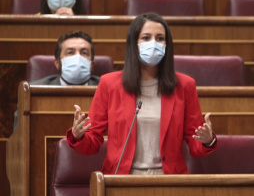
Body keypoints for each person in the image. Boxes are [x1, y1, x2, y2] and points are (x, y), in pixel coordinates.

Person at [67, 13, 217, 175]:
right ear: (134, 43)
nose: (153, 43)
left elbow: (195, 146)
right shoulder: (109, 84)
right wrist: (78, 136)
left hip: (170, 181)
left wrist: (208, 141)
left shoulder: (185, 85)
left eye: (160, 38)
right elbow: (93, 143)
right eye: (146, 38)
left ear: (167, 45)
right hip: (122, 179)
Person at [31, 30, 100, 85]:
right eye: (70, 53)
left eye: (84, 53)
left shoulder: (107, 89)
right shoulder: (34, 90)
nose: (78, 57)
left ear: (92, 64)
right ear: (57, 63)